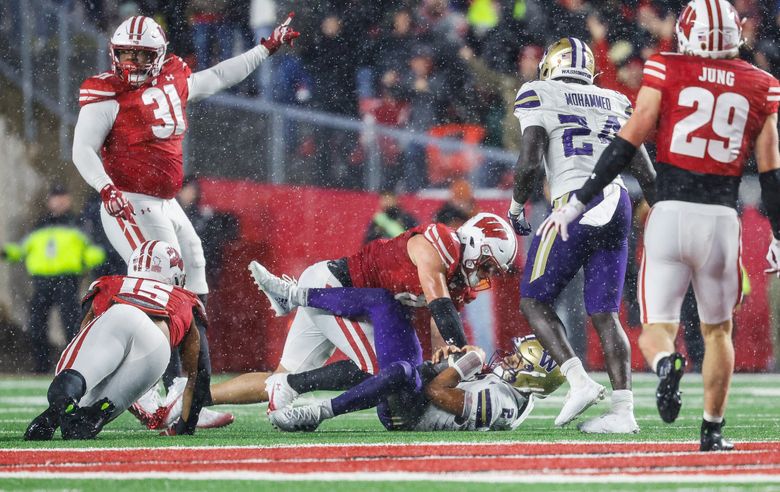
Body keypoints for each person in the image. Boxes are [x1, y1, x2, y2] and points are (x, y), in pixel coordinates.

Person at [538, 0, 780, 451]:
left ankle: (667, 361)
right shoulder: (763, 85)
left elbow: (626, 144)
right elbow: (771, 175)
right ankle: (712, 430)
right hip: (722, 218)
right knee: (717, 331)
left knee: (656, 328)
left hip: (669, 213)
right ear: (734, 34)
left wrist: (579, 202)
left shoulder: (666, 69)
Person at [70, 13, 298, 426]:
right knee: (162, 290)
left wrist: (265, 49)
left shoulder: (174, 76)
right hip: (129, 200)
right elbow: (82, 150)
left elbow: (217, 76)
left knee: (193, 270)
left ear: (159, 55)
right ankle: (148, 390)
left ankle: (187, 392)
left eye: (143, 54)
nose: (134, 62)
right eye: (126, 54)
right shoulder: (105, 92)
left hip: (164, 200)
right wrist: (106, 188)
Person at [507, 37, 656, 432]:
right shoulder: (614, 100)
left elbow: (529, 163)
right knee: (605, 313)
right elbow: (646, 172)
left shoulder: (539, 91)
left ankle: (578, 381)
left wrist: (516, 205)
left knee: (534, 300)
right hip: (619, 203)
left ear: (550, 67)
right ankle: (624, 411)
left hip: (575, 203)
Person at [253, 213, 517, 411]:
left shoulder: (457, 282)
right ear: (474, 244)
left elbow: (441, 332)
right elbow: (441, 307)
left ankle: (210, 398)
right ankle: (291, 298)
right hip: (337, 288)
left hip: (355, 302)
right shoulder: (443, 243)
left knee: (278, 377)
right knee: (380, 374)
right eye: (487, 266)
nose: (486, 275)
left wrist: (449, 366)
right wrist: (464, 354)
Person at [24, 241, 209, 440]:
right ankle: (93, 417)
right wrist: (186, 426)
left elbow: (84, 336)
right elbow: (198, 374)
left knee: (77, 378)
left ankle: (57, 408)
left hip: (120, 315)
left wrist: (79, 372)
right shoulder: (186, 299)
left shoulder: (110, 283)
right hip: (157, 349)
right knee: (96, 410)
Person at [269, 335, 564, 433]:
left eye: (515, 361)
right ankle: (295, 384)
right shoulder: (512, 393)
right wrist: (451, 361)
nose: (507, 359)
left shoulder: (501, 404)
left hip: (412, 415)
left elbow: (435, 392)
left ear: (532, 377)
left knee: (398, 371)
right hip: (420, 400)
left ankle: (316, 413)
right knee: (378, 365)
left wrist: (468, 363)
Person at [1, 185, 106, 373]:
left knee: (71, 326)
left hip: (67, 281)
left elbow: (92, 249)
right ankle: (41, 367)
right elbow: (23, 250)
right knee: (37, 326)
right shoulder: (40, 225)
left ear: (69, 199)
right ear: (49, 201)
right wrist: (7, 253)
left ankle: (72, 366)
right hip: (42, 282)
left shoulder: (78, 223)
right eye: (55, 197)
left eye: (62, 197)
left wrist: (97, 258)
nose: (58, 201)